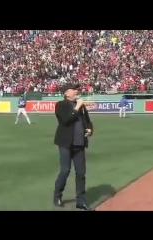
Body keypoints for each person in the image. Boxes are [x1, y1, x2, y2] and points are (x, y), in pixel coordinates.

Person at [53, 83, 94, 211]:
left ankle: (81, 201)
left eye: (76, 89)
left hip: (79, 143)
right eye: (73, 89)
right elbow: (65, 120)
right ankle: (57, 195)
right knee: (65, 170)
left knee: (81, 173)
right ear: (66, 93)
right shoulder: (61, 105)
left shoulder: (81, 106)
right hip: (65, 143)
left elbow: (88, 121)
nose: (76, 91)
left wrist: (90, 129)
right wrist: (77, 106)